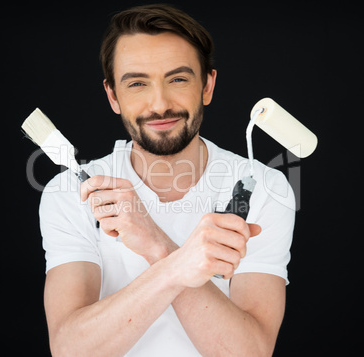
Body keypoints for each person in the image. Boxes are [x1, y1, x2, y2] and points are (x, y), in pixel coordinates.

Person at [40, 4, 295, 356]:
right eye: (137, 83)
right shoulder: (71, 193)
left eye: (177, 79)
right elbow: (70, 350)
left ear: (207, 85)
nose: (159, 104)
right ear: (113, 96)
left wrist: (155, 243)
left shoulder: (266, 189)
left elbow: (249, 351)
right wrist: (177, 263)